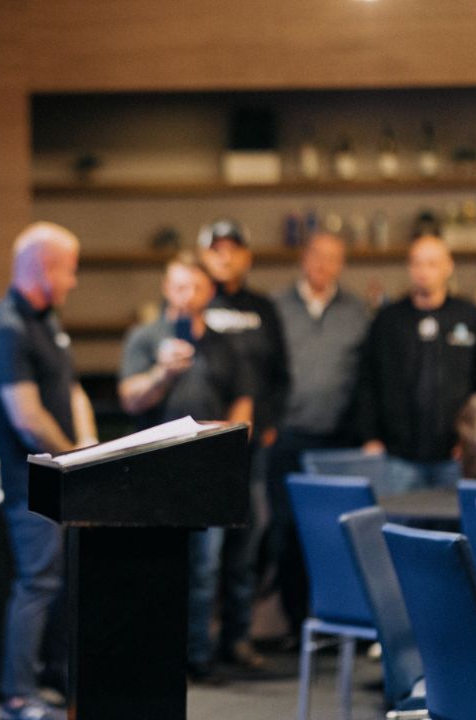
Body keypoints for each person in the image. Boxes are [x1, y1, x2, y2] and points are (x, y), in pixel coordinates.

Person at [0, 221, 97, 720]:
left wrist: (88, 445)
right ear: (46, 267)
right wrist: (74, 456)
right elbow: (27, 417)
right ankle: (18, 695)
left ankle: (43, 683)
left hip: (61, 476)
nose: (72, 281)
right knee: (37, 585)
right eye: (69, 270)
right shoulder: (7, 326)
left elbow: (69, 389)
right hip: (31, 484)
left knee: (53, 584)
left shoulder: (47, 318)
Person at [117, 253, 253, 682]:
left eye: (194, 287)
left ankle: (198, 655)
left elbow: (243, 401)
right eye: (178, 286)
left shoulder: (224, 343)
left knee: (204, 569)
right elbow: (129, 398)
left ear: (209, 292)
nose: (185, 295)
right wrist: (163, 373)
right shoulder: (144, 338)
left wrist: (233, 431)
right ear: (164, 288)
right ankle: (151, 655)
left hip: (207, 472)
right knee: (152, 565)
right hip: (151, 470)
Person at [198, 218, 290, 670]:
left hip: (252, 454)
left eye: (233, 249)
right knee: (203, 557)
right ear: (203, 257)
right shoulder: (195, 306)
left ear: (247, 256)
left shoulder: (263, 308)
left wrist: (269, 423)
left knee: (247, 548)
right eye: (216, 249)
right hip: (199, 454)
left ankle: (237, 639)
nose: (225, 256)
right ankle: (197, 648)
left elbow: (280, 377)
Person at [268, 232, 370, 641]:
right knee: (287, 532)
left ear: (342, 264)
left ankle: (337, 621)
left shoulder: (357, 311)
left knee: (335, 534)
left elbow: (366, 378)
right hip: (288, 436)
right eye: (318, 257)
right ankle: (296, 623)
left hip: (339, 440)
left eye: (333, 259)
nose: (324, 265)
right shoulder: (277, 307)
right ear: (303, 258)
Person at [358, 234, 476, 491]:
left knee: (456, 529)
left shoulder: (471, 317)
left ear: (448, 267)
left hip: (457, 456)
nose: (423, 272)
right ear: (409, 268)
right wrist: (370, 436)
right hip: (398, 457)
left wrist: (475, 441)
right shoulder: (388, 321)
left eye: (432, 263)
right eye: (417, 263)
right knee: (396, 526)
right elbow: (367, 381)